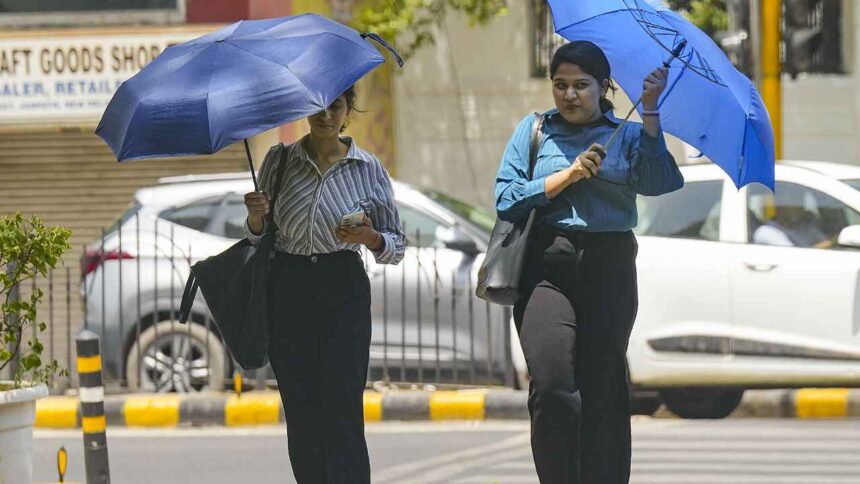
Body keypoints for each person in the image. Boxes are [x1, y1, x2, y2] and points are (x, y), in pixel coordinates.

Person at [494, 41, 683, 483]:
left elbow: (661, 181)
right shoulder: (535, 129)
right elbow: (505, 196)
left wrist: (651, 112)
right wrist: (567, 176)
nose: (570, 95)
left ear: (604, 88)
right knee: (553, 386)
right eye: (560, 85)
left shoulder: (632, 135)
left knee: (603, 389)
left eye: (581, 85)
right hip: (547, 268)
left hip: (609, 266)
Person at [243, 86, 405, 483]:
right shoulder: (279, 161)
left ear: (348, 109)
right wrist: (255, 218)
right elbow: (255, 240)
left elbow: (396, 245)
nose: (325, 115)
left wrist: (370, 238)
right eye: (316, 106)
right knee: (301, 410)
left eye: (334, 105)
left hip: (342, 288)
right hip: (288, 286)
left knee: (342, 407)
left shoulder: (368, 168)